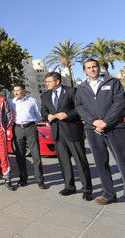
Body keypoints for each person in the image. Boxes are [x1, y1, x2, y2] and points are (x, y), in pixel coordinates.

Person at [75, 59, 125, 216]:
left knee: (124, 163)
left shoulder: (113, 82)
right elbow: (79, 107)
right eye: (88, 68)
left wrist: (105, 122)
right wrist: (94, 122)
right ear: (84, 71)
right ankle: (108, 194)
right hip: (92, 130)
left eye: (94, 66)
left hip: (114, 128)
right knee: (101, 163)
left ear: (98, 68)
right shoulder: (81, 88)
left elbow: (120, 103)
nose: (92, 69)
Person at [41, 72, 92, 200]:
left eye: (49, 81)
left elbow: (80, 108)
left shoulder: (71, 91)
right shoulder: (45, 95)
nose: (47, 84)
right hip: (57, 133)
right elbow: (43, 111)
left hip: (72, 131)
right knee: (63, 161)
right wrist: (47, 116)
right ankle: (69, 187)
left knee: (80, 160)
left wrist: (67, 115)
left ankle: (87, 189)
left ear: (57, 81)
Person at [9, 82, 47, 190]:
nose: (16, 92)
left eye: (18, 90)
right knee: (20, 155)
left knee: (36, 155)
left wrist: (32, 124)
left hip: (30, 128)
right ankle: (23, 178)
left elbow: (38, 115)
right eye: (14, 90)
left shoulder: (32, 101)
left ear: (24, 90)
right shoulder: (11, 102)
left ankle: (40, 179)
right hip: (17, 129)